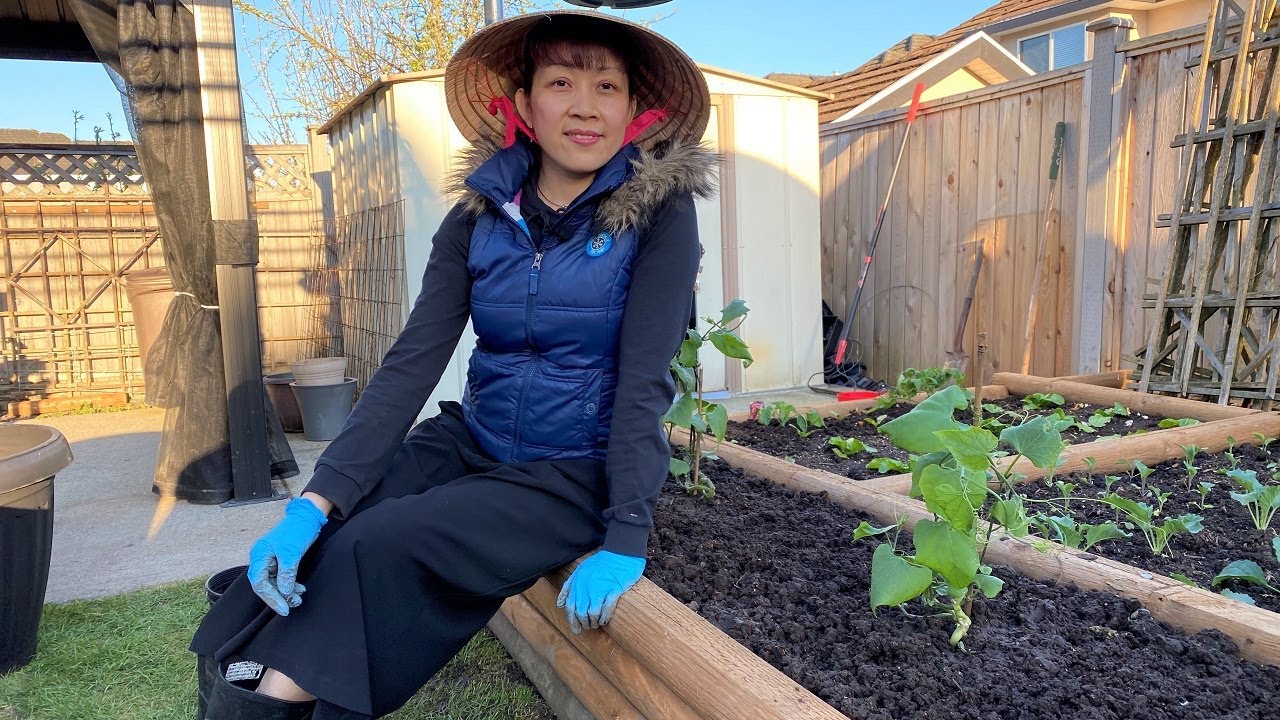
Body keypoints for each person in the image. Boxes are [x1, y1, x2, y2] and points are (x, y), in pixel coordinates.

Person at [190, 10, 716, 720]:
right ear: (526, 105)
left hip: (570, 473)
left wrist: (626, 533)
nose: (586, 105)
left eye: (608, 85)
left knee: (379, 545)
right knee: (337, 526)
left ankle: (267, 700)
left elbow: (646, 378)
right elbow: (411, 363)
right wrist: (310, 504)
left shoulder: (661, 214)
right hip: (476, 443)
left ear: (633, 110)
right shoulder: (478, 216)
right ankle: (266, 690)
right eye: (561, 81)